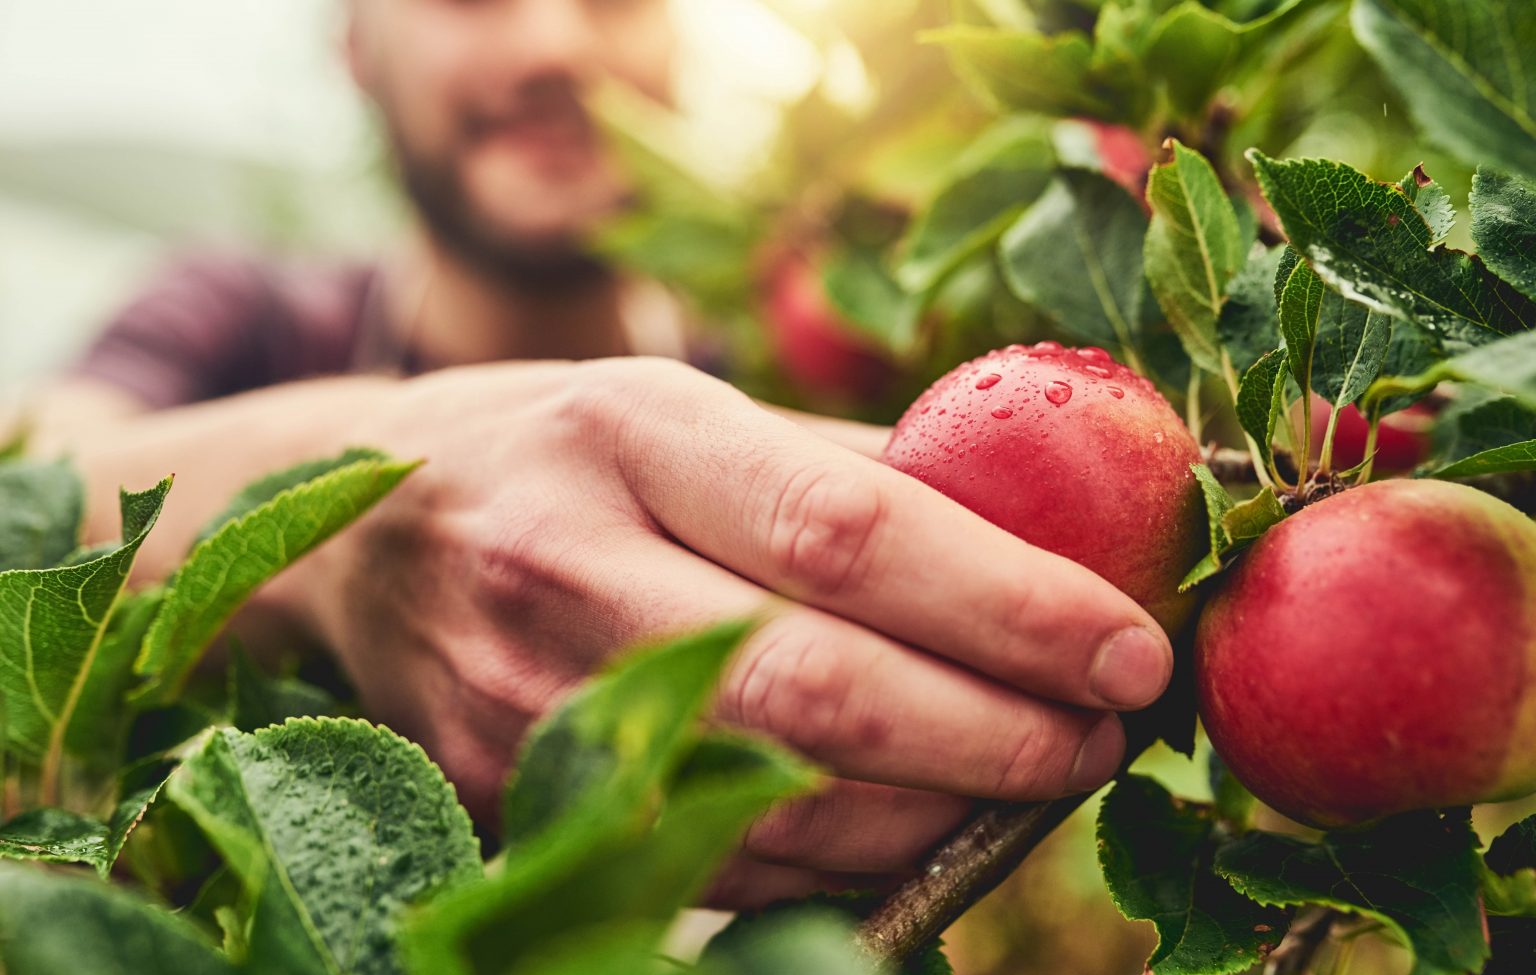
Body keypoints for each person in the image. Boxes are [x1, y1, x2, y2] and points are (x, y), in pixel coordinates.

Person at [14, 0, 1172, 907]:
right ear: (356, 46)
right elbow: (35, 485)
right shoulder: (239, 321)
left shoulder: (780, 423)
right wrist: (352, 518)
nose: (553, 42)